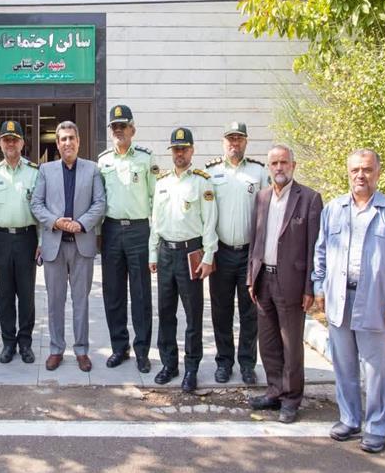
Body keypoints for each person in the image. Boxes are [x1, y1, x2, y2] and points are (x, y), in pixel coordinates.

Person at [313, 148, 385, 453]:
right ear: (348, 172)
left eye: (367, 169)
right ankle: (349, 419)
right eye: (355, 169)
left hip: (373, 301)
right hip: (339, 298)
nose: (360, 175)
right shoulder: (333, 209)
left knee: (375, 370)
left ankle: (377, 427)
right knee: (344, 366)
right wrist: (319, 287)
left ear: (377, 173)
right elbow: (321, 251)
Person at [246, 144, 322, 423]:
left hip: (292, 282)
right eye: (274, 163)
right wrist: (251, 277)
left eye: (284, 162)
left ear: (293, 165)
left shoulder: (310, 199)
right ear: (269, 168)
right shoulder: (262, 197)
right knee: (267, 342)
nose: (279, 167)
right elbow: (255, 239)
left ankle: (291, 399)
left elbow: (314, 247)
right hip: (263, 279)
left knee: (291, 345)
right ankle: (274, 391)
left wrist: (310, 287)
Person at [30, 121, 105, 372]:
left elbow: (99, 203)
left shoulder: (92, 169)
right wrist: (56, 222)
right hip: (55, 246)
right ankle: (56, 349)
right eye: (63, 139)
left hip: (82, 245)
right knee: (55, 301)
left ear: (78, 141)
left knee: (81, 301)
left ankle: (82, 350)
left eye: (71, 138)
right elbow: (36, 204)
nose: (67, 143)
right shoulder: (45, 170)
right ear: (57, 143)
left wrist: (80, 224)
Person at [149, 127, 218, 392]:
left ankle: (191, 368)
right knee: (166, 312)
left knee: (192, 315)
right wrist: (153, 253)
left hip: (191, 253)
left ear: (192, 150)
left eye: (184, 148)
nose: (180, 153)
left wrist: (209, 256)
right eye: (176, 149)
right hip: (166, 253)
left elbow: (210, 222)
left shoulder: (202, 182)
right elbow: (156, 222)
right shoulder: (162, 182)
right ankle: (169, 364)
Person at [205, 121, 269, 385]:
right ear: (223, 142)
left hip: (249, 255)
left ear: (246, 142)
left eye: (239, 138)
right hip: (221, 252)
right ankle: (224, 362)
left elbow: (267, 212)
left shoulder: (258, 172)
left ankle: (247, 364)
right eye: (230, 138)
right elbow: (207, 214)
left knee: (249, 312)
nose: (234, 143)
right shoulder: (211, 173)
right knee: (221, 311)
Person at [97, 105, 156, 373]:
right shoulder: (103, 161)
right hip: (111, 230)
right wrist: (98, 235)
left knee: (141, 294)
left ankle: (142, 351)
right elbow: (99, 201)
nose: (118, 130)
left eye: (123, 126)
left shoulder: (146, 158)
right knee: (113, 293)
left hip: (139, 230)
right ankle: (119, 347)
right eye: (114, 127)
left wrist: (155, 239)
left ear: (133, 129)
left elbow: (156, 198)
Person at [0, 120, 41, 364]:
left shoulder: (34, 172)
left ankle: (25, 343)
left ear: (22, 143)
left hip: (27, 238)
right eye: (6, 139)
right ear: (0, 143)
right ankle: (8, 343)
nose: (10, 144)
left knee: (26, 295)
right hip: (2, 239)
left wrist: (41, 241)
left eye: (15, 140)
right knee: (5, 295)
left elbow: (40, 211)